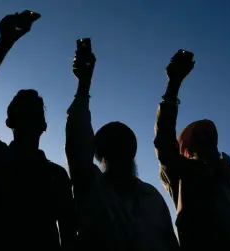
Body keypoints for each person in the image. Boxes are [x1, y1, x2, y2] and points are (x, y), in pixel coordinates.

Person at [0, 11, 76, 250]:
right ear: (10, 122)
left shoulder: (57, 176)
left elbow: (68, 236)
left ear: (43, 125)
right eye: (24, 111)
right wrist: (5, 41)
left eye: (34, 111)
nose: (29, 115)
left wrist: (6, 41)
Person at [65, 42, 179, 251]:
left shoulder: (151, 196)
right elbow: (77, 142)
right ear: (99, 153)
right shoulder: (91, 186)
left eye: (126, 145)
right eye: (114, 145)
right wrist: (83, 86)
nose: (122, 152)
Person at [154, 49, 230, 251]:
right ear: (188, 151)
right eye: (200, 140)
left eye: (211, 140)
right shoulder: (183, 177)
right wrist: (173, 86)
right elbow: (164, 143)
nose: (210, 146)